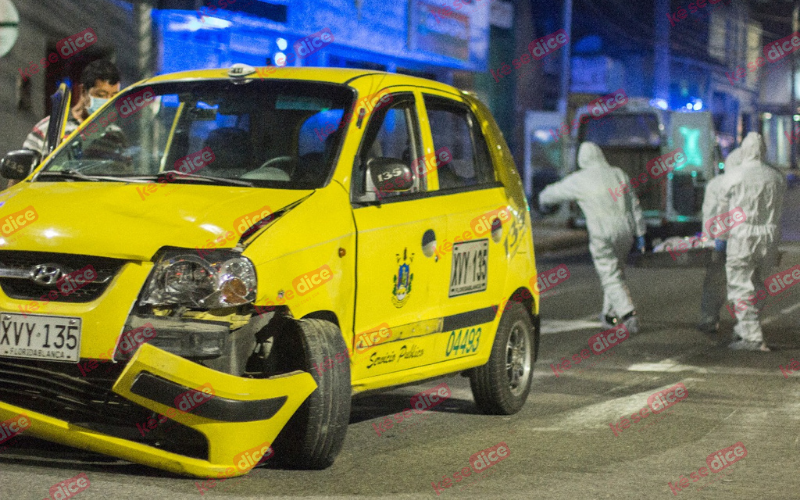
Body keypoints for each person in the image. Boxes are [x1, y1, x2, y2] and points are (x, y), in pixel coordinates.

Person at [539, 142, 647, 333]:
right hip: (625, 230)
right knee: (616, 273)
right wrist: (640, 232)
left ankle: (628, 314)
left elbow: (551, 194)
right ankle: (608, 315)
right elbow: (633, 205)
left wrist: (541, 202)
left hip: (601, 231)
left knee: (609, 275)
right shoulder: (618, 173)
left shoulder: (580, 179)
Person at [718, 132, 786, 351]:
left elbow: (723, 212)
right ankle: (745, 327)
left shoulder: (733, 176)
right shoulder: (775, 177)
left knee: (740, 285)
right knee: (756, 284)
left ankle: (752, 337)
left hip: (742, 237)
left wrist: (720, 237)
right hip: (768, 236)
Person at [9, 60, 121, 187]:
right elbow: (18, 177)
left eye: (114, 96)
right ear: (83, 91)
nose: (108, 102)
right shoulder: (49, 128)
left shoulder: (115, 136)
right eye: (101, 95)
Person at [697, 147, 742, 334]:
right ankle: (744, 324)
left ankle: (709, 319)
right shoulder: (748, 182)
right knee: (743, 282)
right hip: (743, 241)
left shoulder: (716, 184)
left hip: (720, 240)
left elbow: (709, 213)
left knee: (715, 281)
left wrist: (707, 239)